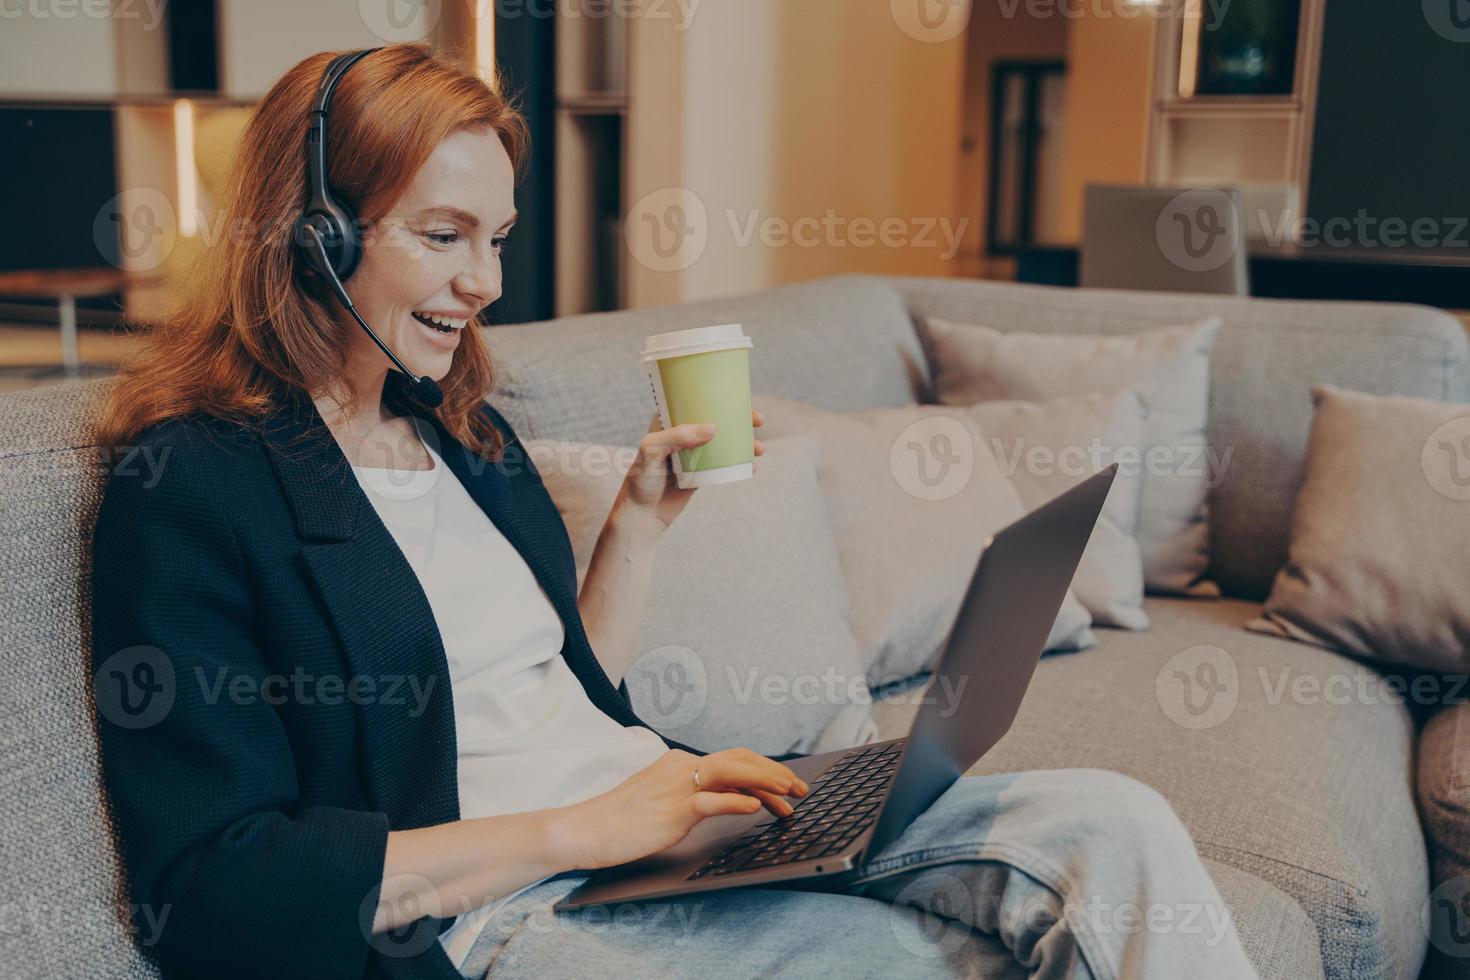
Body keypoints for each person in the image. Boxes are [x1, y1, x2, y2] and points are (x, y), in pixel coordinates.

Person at [90, 42, 1259, 980]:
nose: (486, 282)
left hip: (660, 834)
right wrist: (583, 830)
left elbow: (564, 693)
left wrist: (638, 530)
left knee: (1116, 822)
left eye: (494, 239)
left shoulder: (460, 432)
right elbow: (208, 886)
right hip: (507, 907)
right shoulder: (197, 482)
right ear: (316, 236)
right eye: (442, 236)